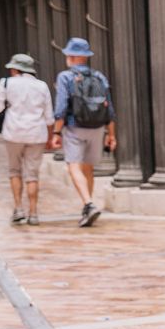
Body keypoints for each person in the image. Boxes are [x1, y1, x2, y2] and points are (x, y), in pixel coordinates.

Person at [50, 37, 115, 226]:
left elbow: (61, 108)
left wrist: (56, 133)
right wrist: (111, 134)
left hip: (74, 127)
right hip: (97, 128)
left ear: (71, 56)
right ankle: (89, 205)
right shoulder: (99, 76)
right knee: (88, 168)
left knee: (73, 166)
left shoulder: (65, 77)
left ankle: (88, 203)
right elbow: (109, 108)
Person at [0, 53, 55, 225]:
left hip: (14, 133)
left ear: (16, 68)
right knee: (32, 174)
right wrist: (50, 136)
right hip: (37, 134)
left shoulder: (6, 83)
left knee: (14, 171)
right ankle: (33, 213)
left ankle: (18, 209)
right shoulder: (42, 86)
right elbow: (49, 116)